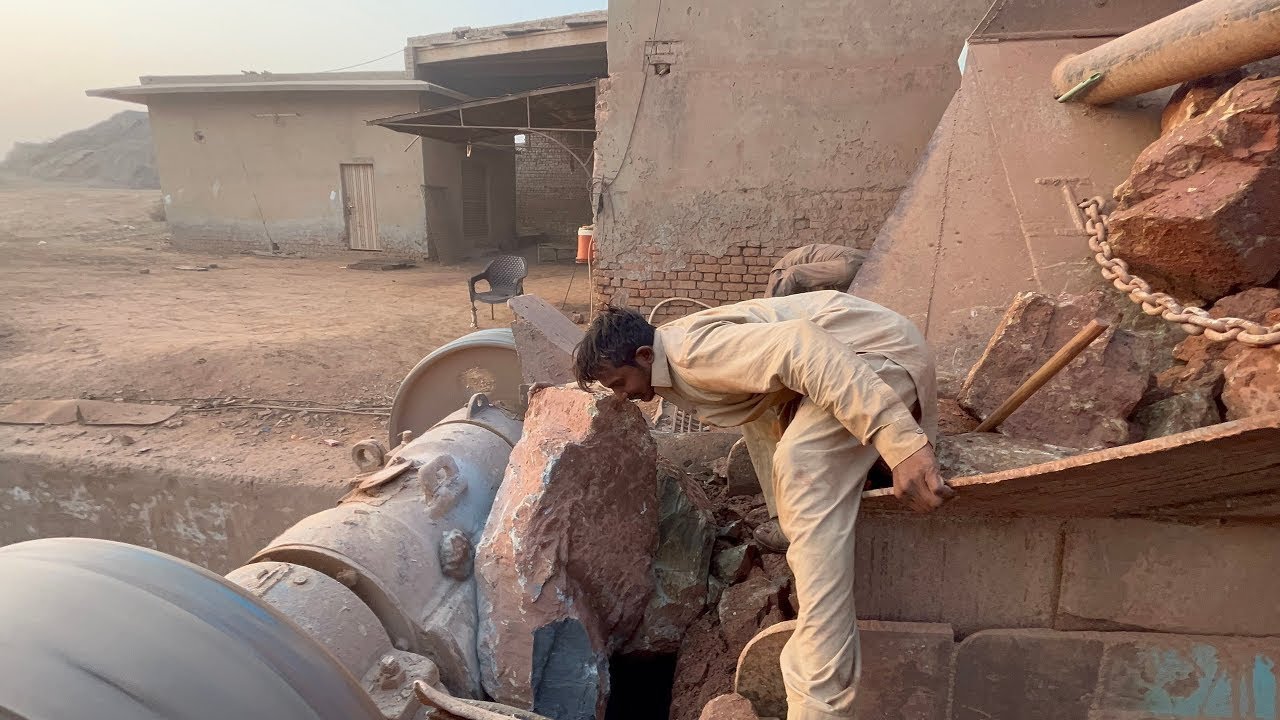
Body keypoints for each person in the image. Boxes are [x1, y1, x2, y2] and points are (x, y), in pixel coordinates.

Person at [571, 291, 953, 720]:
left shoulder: (695, 355)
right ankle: (790, 523)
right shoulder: (664, 358)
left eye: (620, 384)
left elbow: (801, 347)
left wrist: (900, 443)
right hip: (849, 353)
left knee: (802, 465)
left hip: (874, 358)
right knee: (757, 410)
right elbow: (759, 397)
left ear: (644, 356)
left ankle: (821, 702)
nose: (620, 396)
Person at [765, 243, 868, 298]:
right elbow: (793, 273)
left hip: (850, 264)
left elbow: (793, 274)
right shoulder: (849, 269)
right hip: (786, 271)